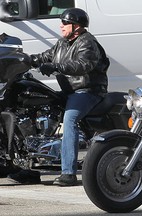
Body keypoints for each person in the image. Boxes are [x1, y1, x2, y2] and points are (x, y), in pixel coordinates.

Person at [8, 8, 109, 186]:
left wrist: (56, 67)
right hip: (70, 91)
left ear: (76, 26)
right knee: (32, 107)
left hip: (87, 91)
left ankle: (68, 173)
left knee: (70, 118)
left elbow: (83, 64)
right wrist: (24, 60)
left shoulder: (87, 42)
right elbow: (45, 56)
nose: (61, 25)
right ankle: (28, 168)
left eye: (64, 23)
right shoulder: (63, 42)